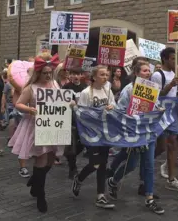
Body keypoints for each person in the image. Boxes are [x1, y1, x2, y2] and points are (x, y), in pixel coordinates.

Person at [8, 52, 67, 213]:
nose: (48, 75)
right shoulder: (30, 88)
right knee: (41, 159)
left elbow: (60, 100)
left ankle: (35, 179)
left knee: (50, 161)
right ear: (38, 73)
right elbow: (18, 104)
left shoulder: (55, 84)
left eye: (50, 73)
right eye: (45, 73)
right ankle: (40, 195)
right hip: (36, 127)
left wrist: (69, 102)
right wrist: (30, 110)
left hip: (53, 125)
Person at [106, 62, 165, 215]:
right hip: (135, 133)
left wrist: (159, 109)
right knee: (131, 165)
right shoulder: (129, 89)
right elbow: (120, 110)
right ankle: (113, 181)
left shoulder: (152, 88)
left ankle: (149, 198)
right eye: (145, 70)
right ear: (137, 73)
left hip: (149, 132)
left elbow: (155, 105)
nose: (148, 73)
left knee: (149, 165)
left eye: (149, 71)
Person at [71, 65, 116, 209]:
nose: (105, 77)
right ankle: (79, 178)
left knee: (103, 163)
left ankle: (100, 195)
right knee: (95, 163)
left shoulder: (108, 91)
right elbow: (83, 114)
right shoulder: (86, 93)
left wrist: (111, 108)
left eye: (106, 75)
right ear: (94, 77)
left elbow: (114, 106)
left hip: (105, 133)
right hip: (92, 134)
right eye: (102, 74)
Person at [152, 48, 178, 193]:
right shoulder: (157, 75)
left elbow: (176, 94)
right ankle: (145, 161)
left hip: (172, 114)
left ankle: (172, 178)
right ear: (165, 59)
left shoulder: (175, 74)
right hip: (160, 113)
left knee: (172, 144)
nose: (175, 62)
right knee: (161, 147)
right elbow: (157, 94)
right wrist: (171, 84)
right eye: (173, 59)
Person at [62, 67, 87, 179]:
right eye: (73, 74)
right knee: (72, 144)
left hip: (82, 120)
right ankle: (73, 168)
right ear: (70, 75)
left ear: (81, 75)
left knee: (81, 145)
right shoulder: (66, 87)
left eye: (78, 74)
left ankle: (69, 156)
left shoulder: (85, 87)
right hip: (69, 120)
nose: (76, 76)